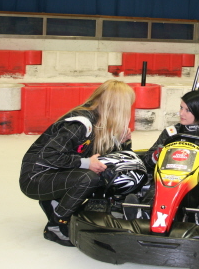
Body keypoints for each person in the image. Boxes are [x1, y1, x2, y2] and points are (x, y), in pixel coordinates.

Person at [19, 79, 135, 247]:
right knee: (89, 178)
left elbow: (107, 159)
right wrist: (86, 163)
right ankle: (55, 226)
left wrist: (123, 142)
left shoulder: (98, 122)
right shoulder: (80, 124)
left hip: (54, 173)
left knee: (103, 171)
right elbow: (49, 155)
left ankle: (54, 202)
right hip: (35, 178)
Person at [131, 90, 199, 226]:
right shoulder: (171, 133)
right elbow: (146, 164)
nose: (181, 113)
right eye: (181, 108)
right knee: (157, 187)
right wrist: (156, 155)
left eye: (187, 110)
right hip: (172, 179)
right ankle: (144, 213)